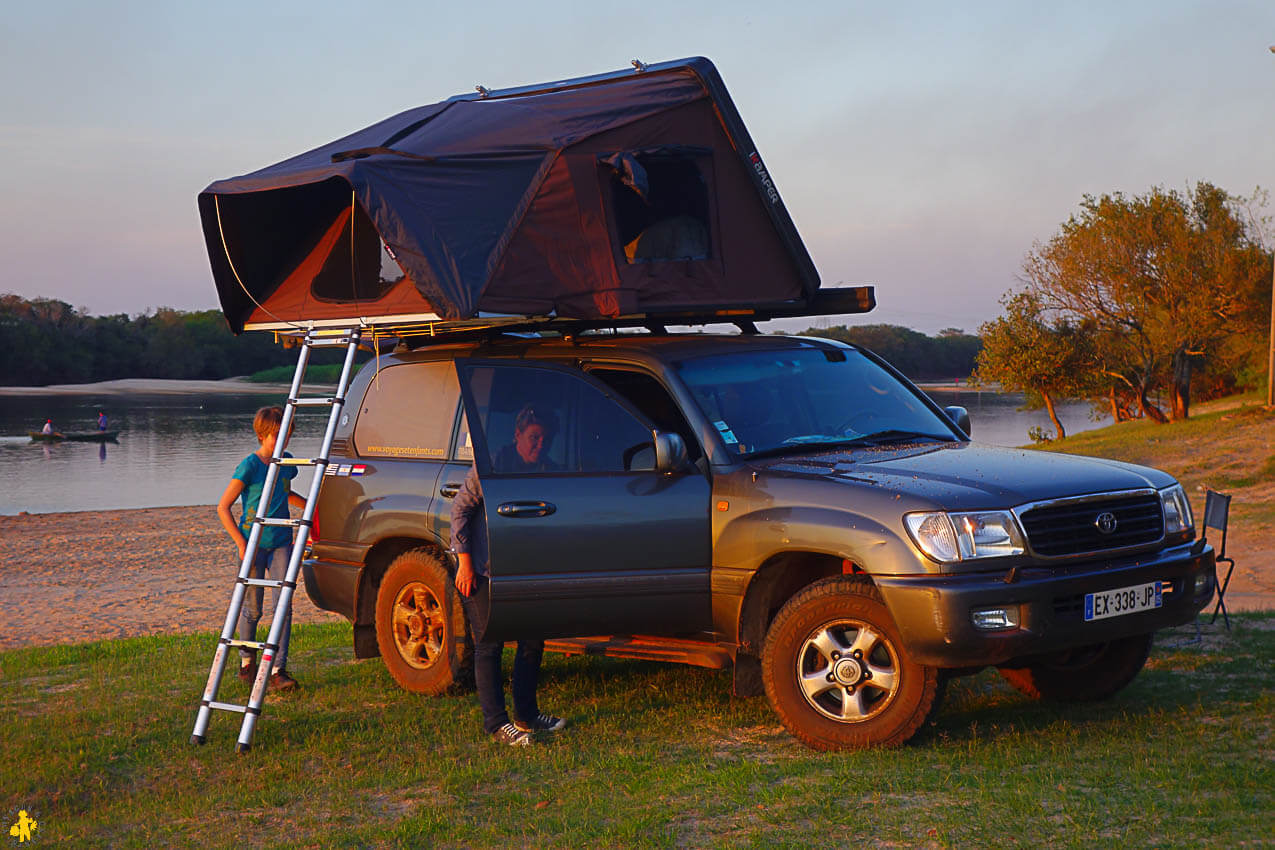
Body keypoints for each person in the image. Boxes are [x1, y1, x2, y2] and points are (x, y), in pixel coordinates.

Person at [451, 404, 565, 745]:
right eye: (533, 437)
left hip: (526, 569)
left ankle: (526, 714)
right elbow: (460, 509)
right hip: (485, 568)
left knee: (532, 640)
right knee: (489, 644)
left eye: (545, 438)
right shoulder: (492, 466)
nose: (539, 444)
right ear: (517, 436)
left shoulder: (549, 469)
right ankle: (497, 723)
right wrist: (465, 563)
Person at [216, 406, 306, 691]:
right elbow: (223, 507)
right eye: (278, 435)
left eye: (288, 434)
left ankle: (278, 669)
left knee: (284, 607)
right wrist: (242, 543)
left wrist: (312, 507)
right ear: (262, 434)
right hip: (254, 544)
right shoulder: (250, 466)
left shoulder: (287, 462)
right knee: (253, 609)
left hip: (281, 541)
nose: (284, 441)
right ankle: (246, 660)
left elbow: (284, 492)